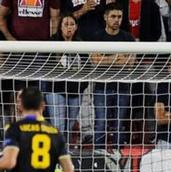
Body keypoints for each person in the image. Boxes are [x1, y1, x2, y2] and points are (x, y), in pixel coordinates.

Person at [91, 3, 136, 148]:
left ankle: (117, 155)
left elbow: (129, 62)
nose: (117, 20)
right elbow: (95, 60)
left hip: (122, 86)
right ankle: (97, 156)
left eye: (119, 17)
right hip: (101, 87)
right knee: (101, 123)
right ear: (105, 17)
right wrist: (117, 57)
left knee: (119, 123)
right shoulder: (97, 36)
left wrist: (106, 59)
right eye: (113, 16)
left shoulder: (128, 38)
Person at [40, 14, 87, 144]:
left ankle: (65, 152)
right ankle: (57, 153)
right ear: (60, 27)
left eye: (72, 24)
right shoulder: (52, 42)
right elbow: (47, 67)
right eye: (66, 24)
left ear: (76, 27)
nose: (69, 28)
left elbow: (87, 68)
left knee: (69, 125)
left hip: (75, 90)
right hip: (55, 89)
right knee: (58, 126)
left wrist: (82, 87)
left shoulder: (82, 45)